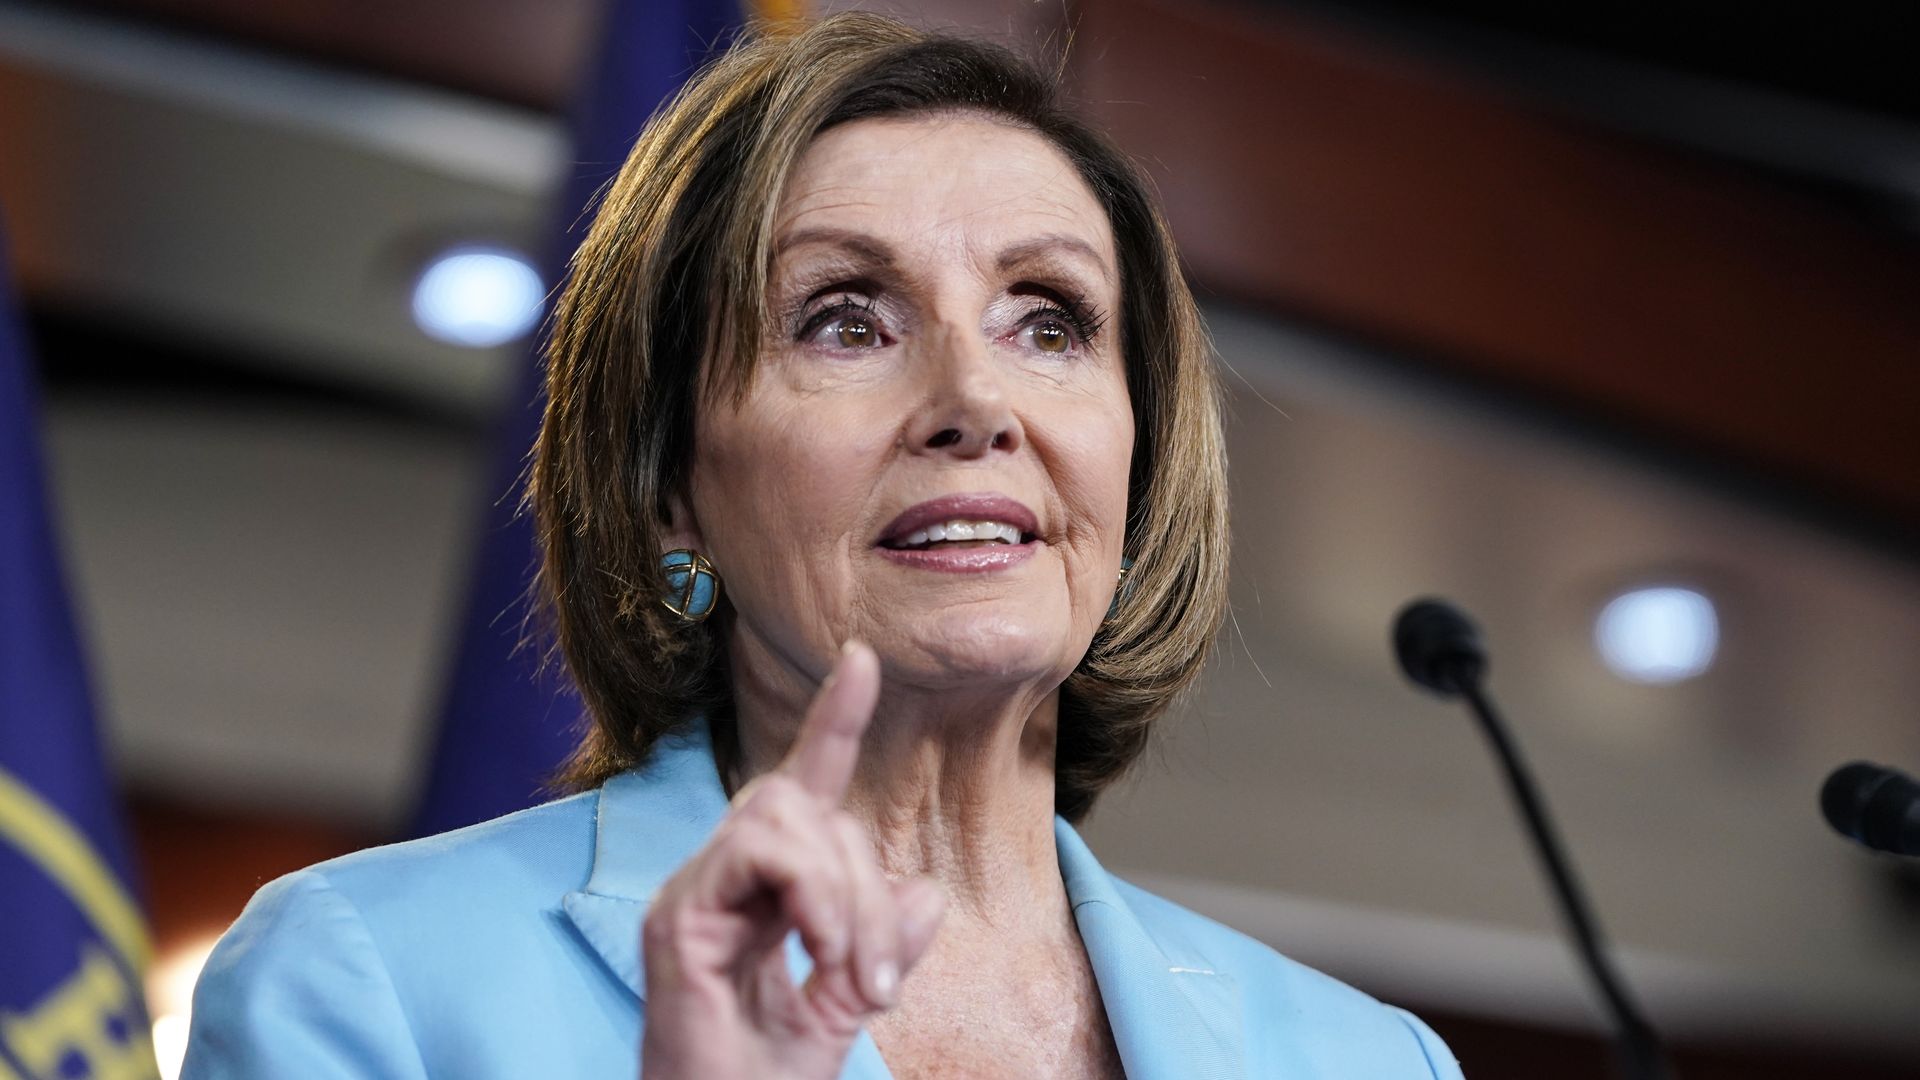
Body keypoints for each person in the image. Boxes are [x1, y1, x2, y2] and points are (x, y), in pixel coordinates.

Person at [182, 12, 1463, 1079]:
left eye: (1050, 320)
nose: (975, 399)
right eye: (844, 322)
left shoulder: (1365, 1060)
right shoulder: (371, 982)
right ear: (669, 488)